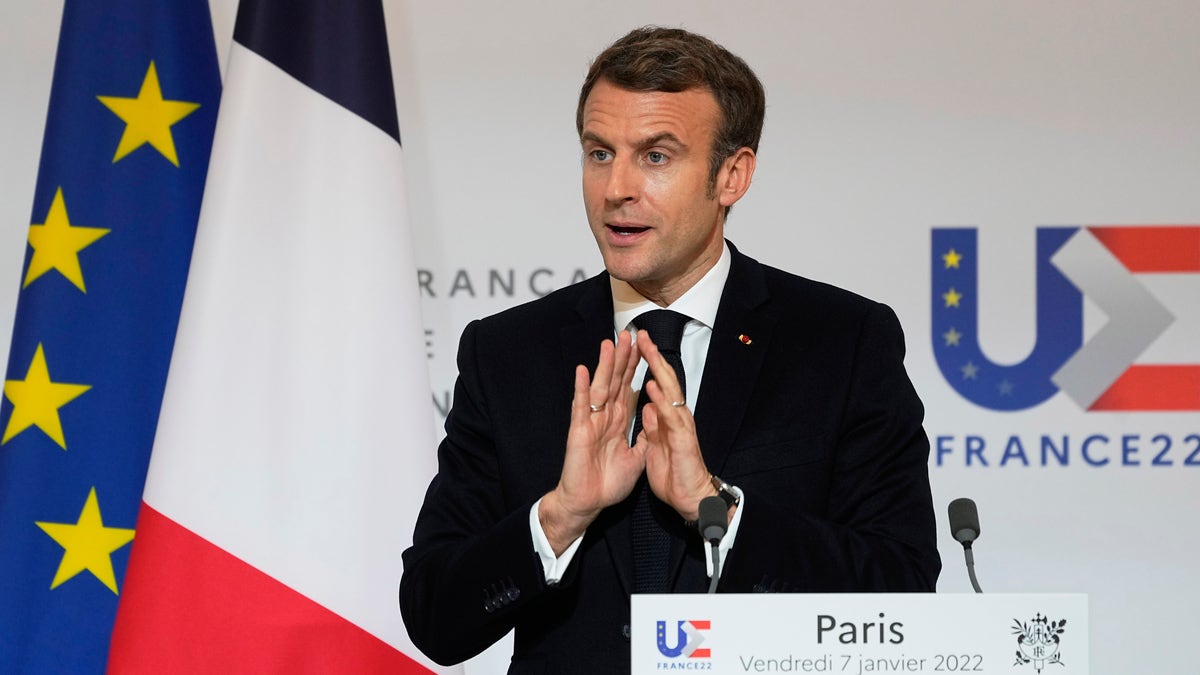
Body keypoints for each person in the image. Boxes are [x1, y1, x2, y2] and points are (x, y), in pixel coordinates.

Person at [400, 26, 939, 673]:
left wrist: (717, 509)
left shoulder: (842, 342)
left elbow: (902, 592)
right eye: (600, 153)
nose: (616, 188)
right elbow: (434, 614)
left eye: (656, 156)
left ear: (731, 175)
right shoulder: (508, 352)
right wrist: (563, 513)